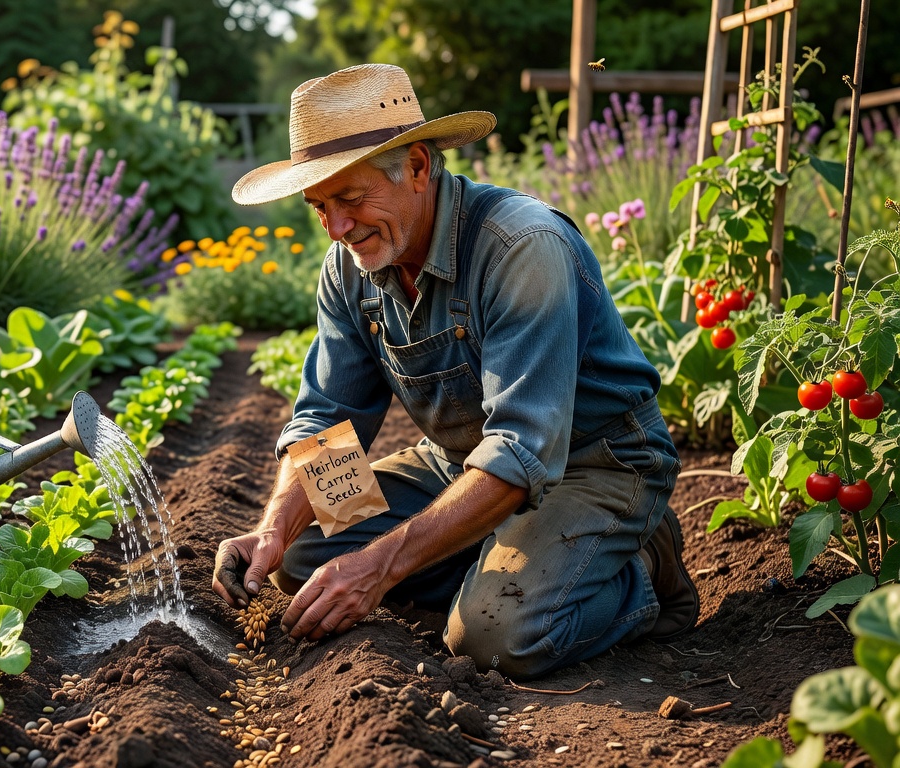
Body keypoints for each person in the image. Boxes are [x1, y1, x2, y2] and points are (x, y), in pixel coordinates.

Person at [210, 63, 697, 679]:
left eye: (351, 199)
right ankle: (506, 558)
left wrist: (383, 565)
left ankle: (640, 572)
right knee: (303, 558)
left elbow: (522, 449)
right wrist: (273, 529)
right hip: (459, 463)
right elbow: (329, 420)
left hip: (595, 464)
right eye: (320, 207)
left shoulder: (520, 248)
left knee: (493, 635)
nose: (336, 228)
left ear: (417, 167)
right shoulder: (350, 267)